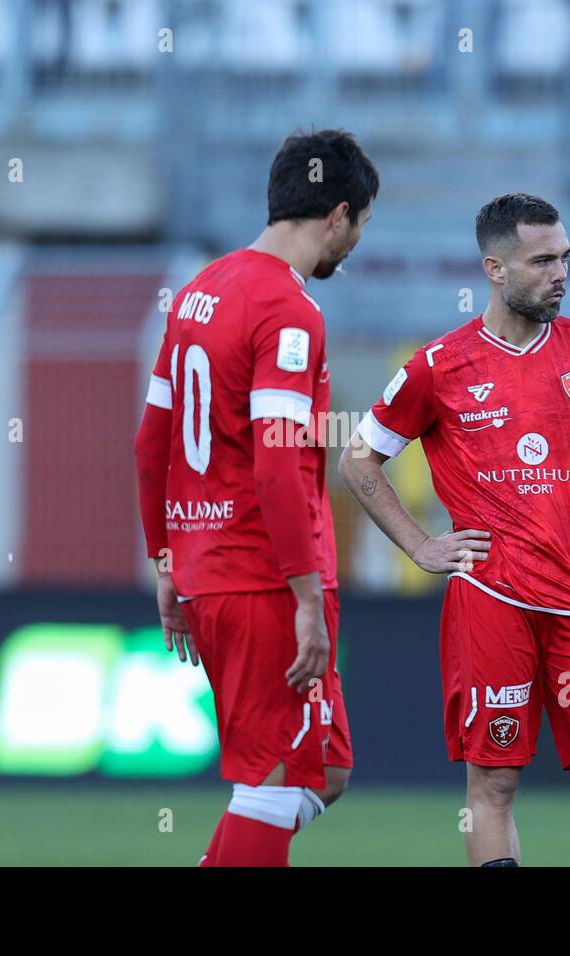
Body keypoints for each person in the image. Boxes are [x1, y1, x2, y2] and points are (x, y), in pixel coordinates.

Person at [340, 193, 570, 866]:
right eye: (542, 261)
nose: (560, 273)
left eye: (565, 258)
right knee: (492, 783)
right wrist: (418, 544)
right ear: (494, 269)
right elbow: (360, 460)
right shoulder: (440, 367)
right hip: (492, 603)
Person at [133, 129, 378, 866]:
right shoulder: (290, 313)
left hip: (210, 566)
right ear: (337, 215)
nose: (356, 243)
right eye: (361, 225)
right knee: (272, 784)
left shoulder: (201, 292)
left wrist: (166, 561)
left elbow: (151, 442)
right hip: (264, 576)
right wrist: (306, 596)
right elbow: (276, 464)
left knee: (324, 770)